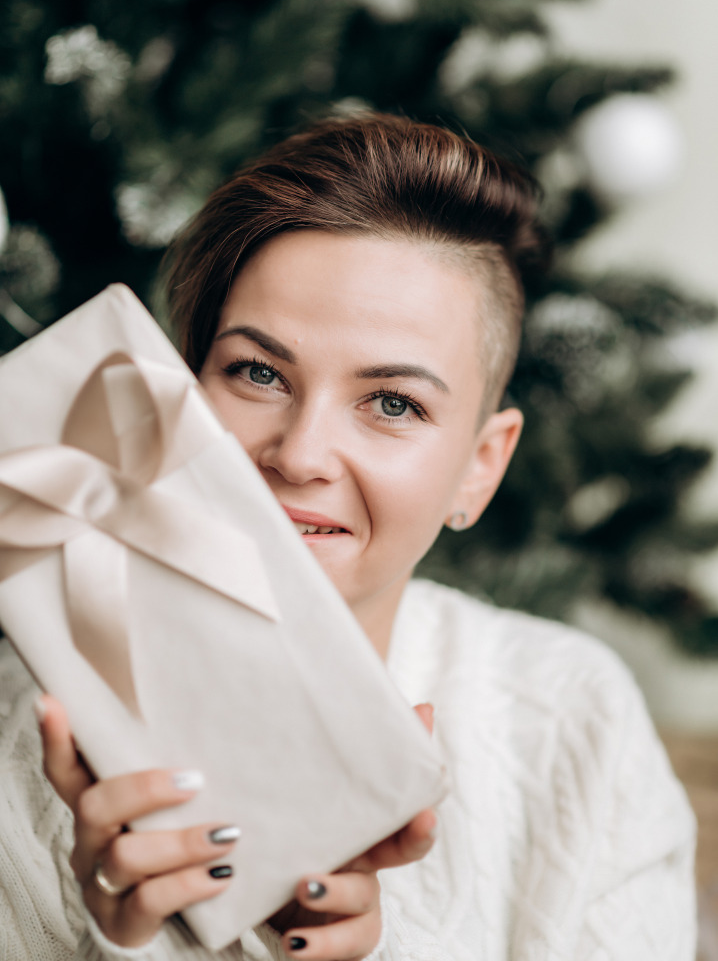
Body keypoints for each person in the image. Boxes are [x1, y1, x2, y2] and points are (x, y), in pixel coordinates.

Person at [0, 114, 696, 961]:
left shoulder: (572, 720)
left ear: (480, 466)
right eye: (257, 373)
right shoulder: (15, 749)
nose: (297, 455)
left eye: (393, 403)